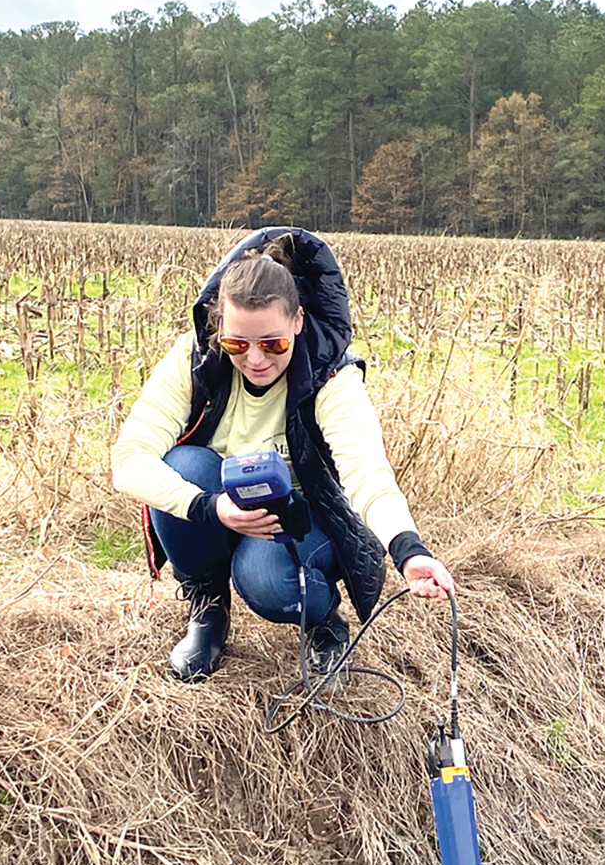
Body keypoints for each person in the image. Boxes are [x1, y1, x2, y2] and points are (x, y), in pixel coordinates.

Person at [111, 226, 455, 682]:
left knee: (266, 581)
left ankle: (325, 625)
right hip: (221, 505)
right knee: (183, 467)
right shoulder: (191, 360)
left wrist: (410, 551)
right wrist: (208, 507)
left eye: (272, 343)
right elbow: (129, 459)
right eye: (237, 344)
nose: (255, 359)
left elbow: (367, 474)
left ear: (297, 321)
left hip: (303, 518)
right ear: (219, 328)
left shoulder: (331, 377)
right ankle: (208, 609)